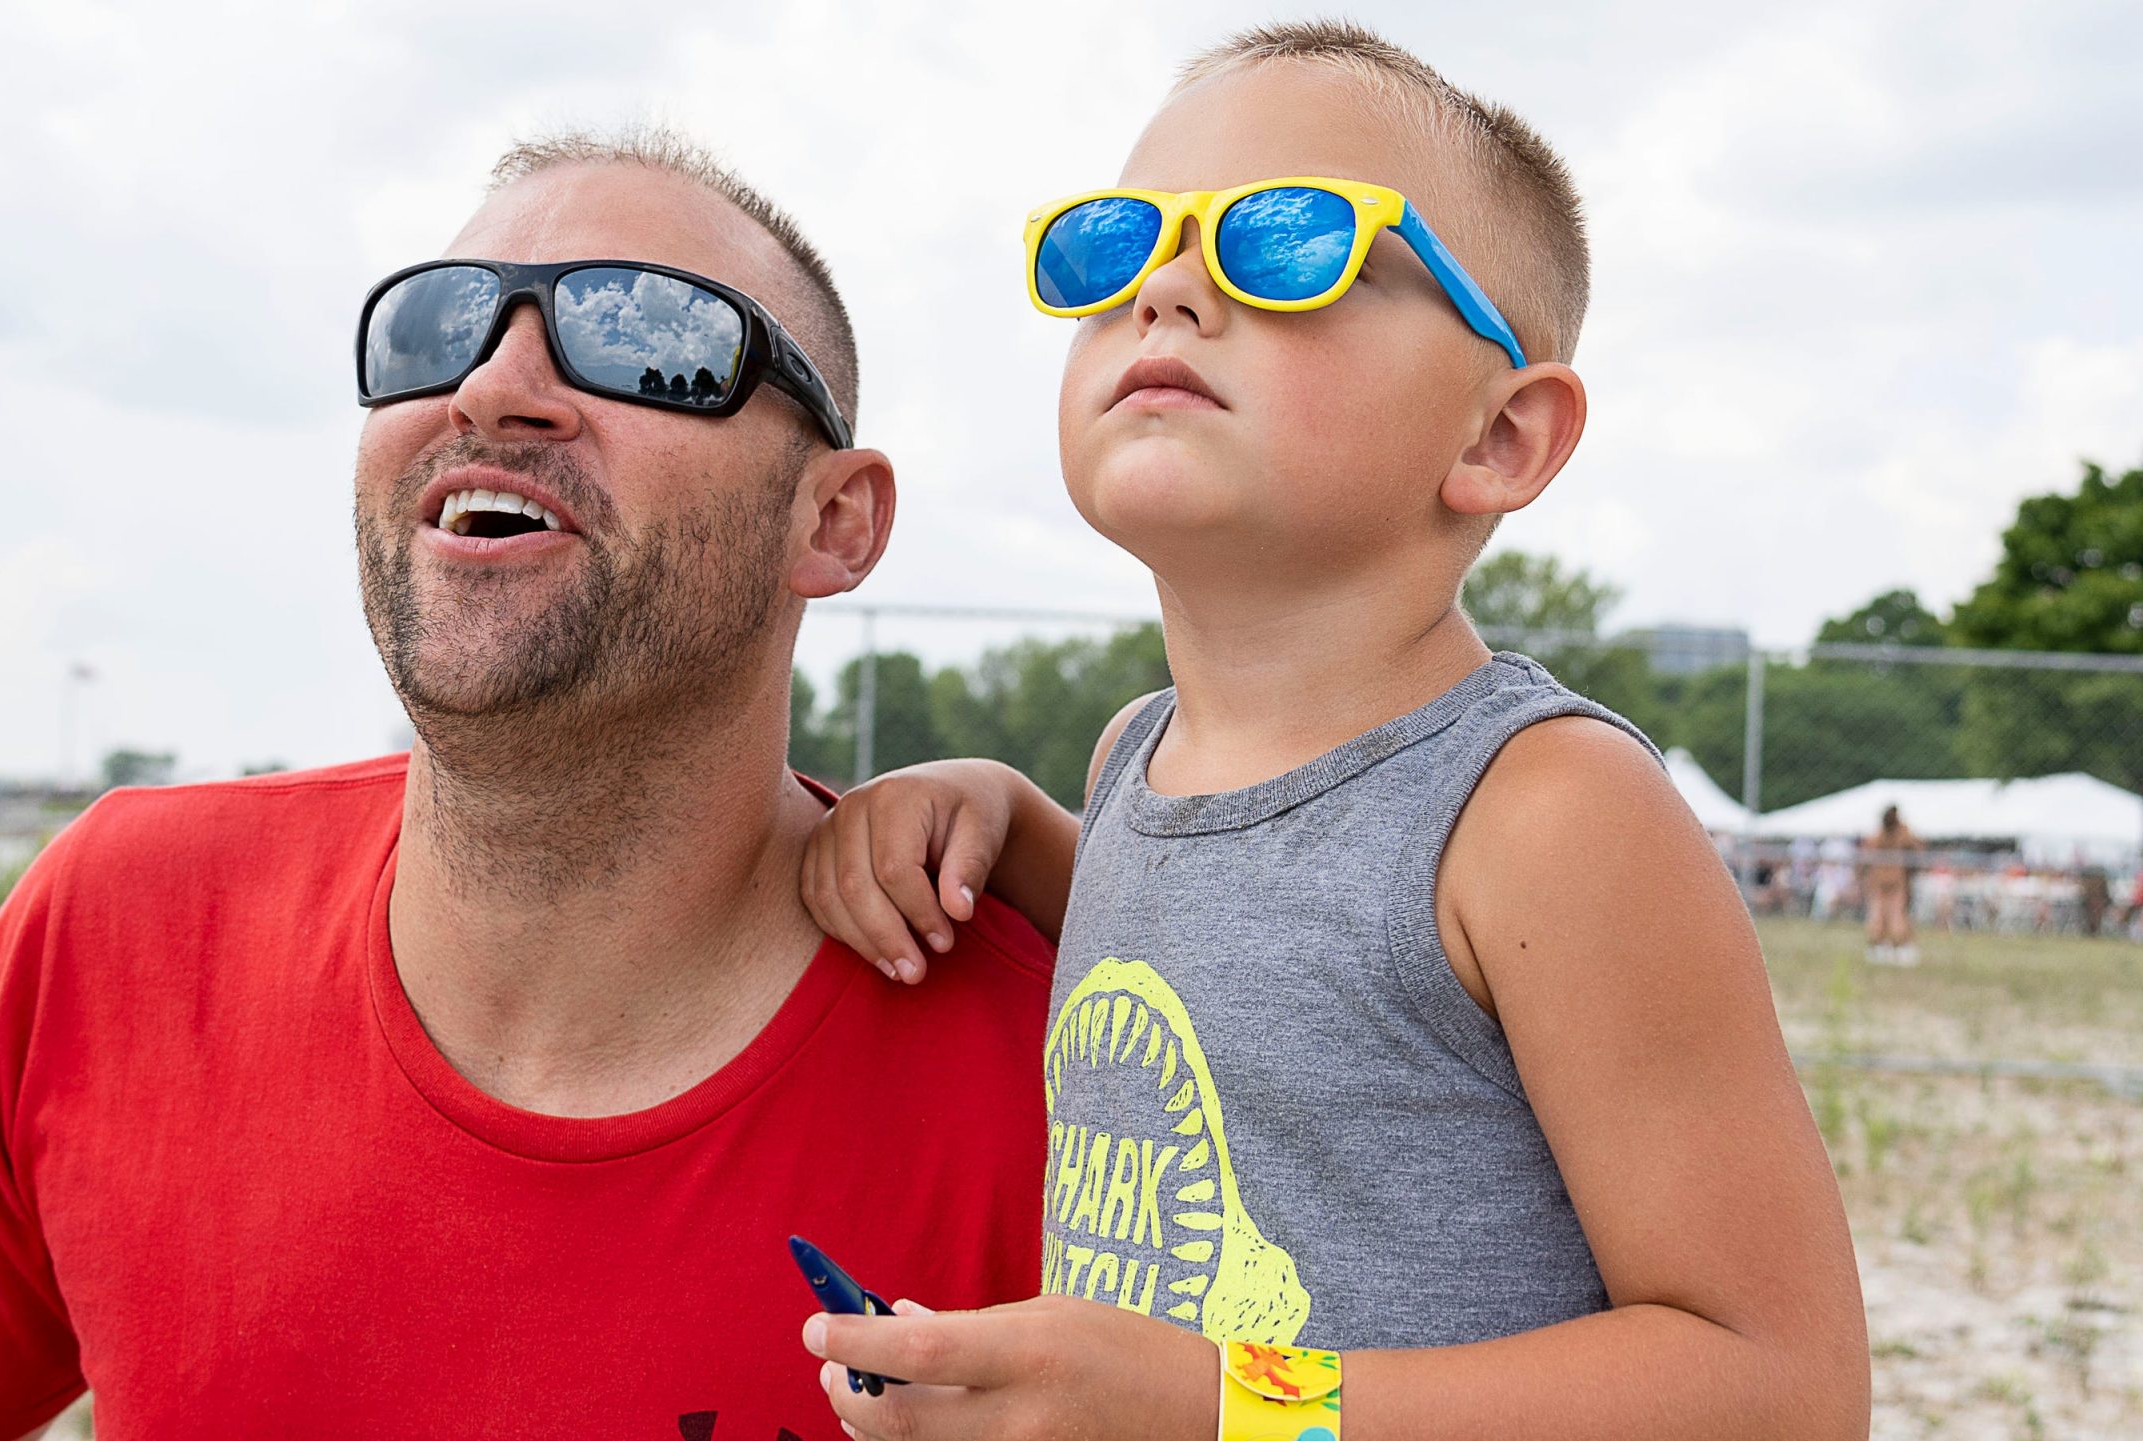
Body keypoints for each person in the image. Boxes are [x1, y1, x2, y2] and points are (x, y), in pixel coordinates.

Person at [0, 129, 1055, 1439]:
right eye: (436, 327)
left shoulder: (1078, 1062)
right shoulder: (123, 922)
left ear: (837, 521)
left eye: (644, 337)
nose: (494, 385)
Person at [796, 23, 1866, 1441]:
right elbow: (1230, 925)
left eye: (1286, 243)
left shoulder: (1546, 810)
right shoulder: (1131, 761)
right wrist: (991, 803)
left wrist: (1221, 1406)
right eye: (1115, 247)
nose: (1168, 288)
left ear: (1501, 440)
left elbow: (1784, 1389)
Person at [1860, 803, 1923, 964]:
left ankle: (1901, 948)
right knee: (1878, 917)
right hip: (1880, 883)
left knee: (1897, 917)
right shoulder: (1878, 836)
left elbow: (1916, 851)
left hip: (1897, 884)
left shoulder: (1903, 833)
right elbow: (1866, 855)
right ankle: (1879, 947)